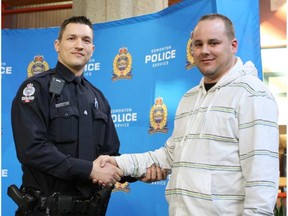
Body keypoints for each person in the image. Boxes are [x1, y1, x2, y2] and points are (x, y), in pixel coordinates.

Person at [99, 13, 280, 215]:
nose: (204, 51)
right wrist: (118, 163)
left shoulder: (253, 95)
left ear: (233, 45)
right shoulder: (189, 98)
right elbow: (170, 155)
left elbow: (262, 179)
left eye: (213, 43)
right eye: (198, 44)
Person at [10, 16, 165, 216]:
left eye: (86, 40)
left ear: (92, 49)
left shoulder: (98, 98)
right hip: (46, 210)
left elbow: (110, 158)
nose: (79, 45)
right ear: (58, 45)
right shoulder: (37, 89)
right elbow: (32, 149)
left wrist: (139, 171)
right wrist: (89, 170)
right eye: (71, 38)